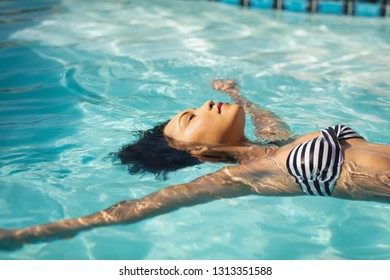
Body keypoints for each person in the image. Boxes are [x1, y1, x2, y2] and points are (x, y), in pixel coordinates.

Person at [0, 80, 389, 251]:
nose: (202, 105)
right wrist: (30, 234)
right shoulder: (243, 176)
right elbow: (134, 209)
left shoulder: (276, 145)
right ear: (197, 153)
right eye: (190, 117)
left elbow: (268, 121)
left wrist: (238, 96)